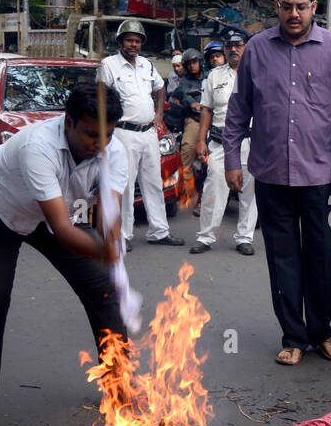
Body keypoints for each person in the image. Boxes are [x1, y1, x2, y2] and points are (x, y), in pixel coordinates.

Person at [0, 81, 129, 426]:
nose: (99, 144)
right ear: (68, 122)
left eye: (107, 135)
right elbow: (64, 229)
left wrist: (112, 246)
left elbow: (107, 215)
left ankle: (119, 393)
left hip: (49, 213)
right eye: (91, 134)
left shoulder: (116, 151)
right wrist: (103, 251)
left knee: (104, 292)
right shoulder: (40, 146)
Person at [222, 0, 331, 366]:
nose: (294, 14)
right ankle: (294, 337)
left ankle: (322, 333)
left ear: (314, 7)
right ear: (276, 8)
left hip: (321, 177)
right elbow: (239, 109)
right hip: (270, 173)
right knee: (282, 256)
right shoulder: (258, 49)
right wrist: (233, 159)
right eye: (286, 7)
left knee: (322, 254)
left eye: (301, 7)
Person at [97, 18, 182, 251]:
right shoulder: (109, 65)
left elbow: (160, 88)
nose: (134, 44)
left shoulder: (146, 64)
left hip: (149, 132)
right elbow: (102, 98)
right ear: (120, 42)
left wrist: (159, 116)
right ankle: (123, 235)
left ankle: (159, 231)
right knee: (124, 184)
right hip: (124, 133)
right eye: (130, 40)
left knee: (154, 182)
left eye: (137, 41)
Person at [192, 35, 257, 255]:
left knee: (249, 191)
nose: (233, 50)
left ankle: (245, 237)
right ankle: (206, 236)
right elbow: (207, 110)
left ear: (245, 47)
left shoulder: (258, 73)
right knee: (214, 188)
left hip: (251, 141)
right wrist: (201, 140)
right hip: (220, 141)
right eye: (229, 46)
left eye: (238, 45)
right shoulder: (214, 76)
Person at [167, 48, 207, 191]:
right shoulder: (184, 81)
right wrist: (191, 103)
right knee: (188, 148)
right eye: (188, 64)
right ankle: (184, 186)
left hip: (214, 120)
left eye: (194, 62)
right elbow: (184, 95)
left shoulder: (210, 76)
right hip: (195, 120)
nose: (192, 66)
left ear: (200, 62)